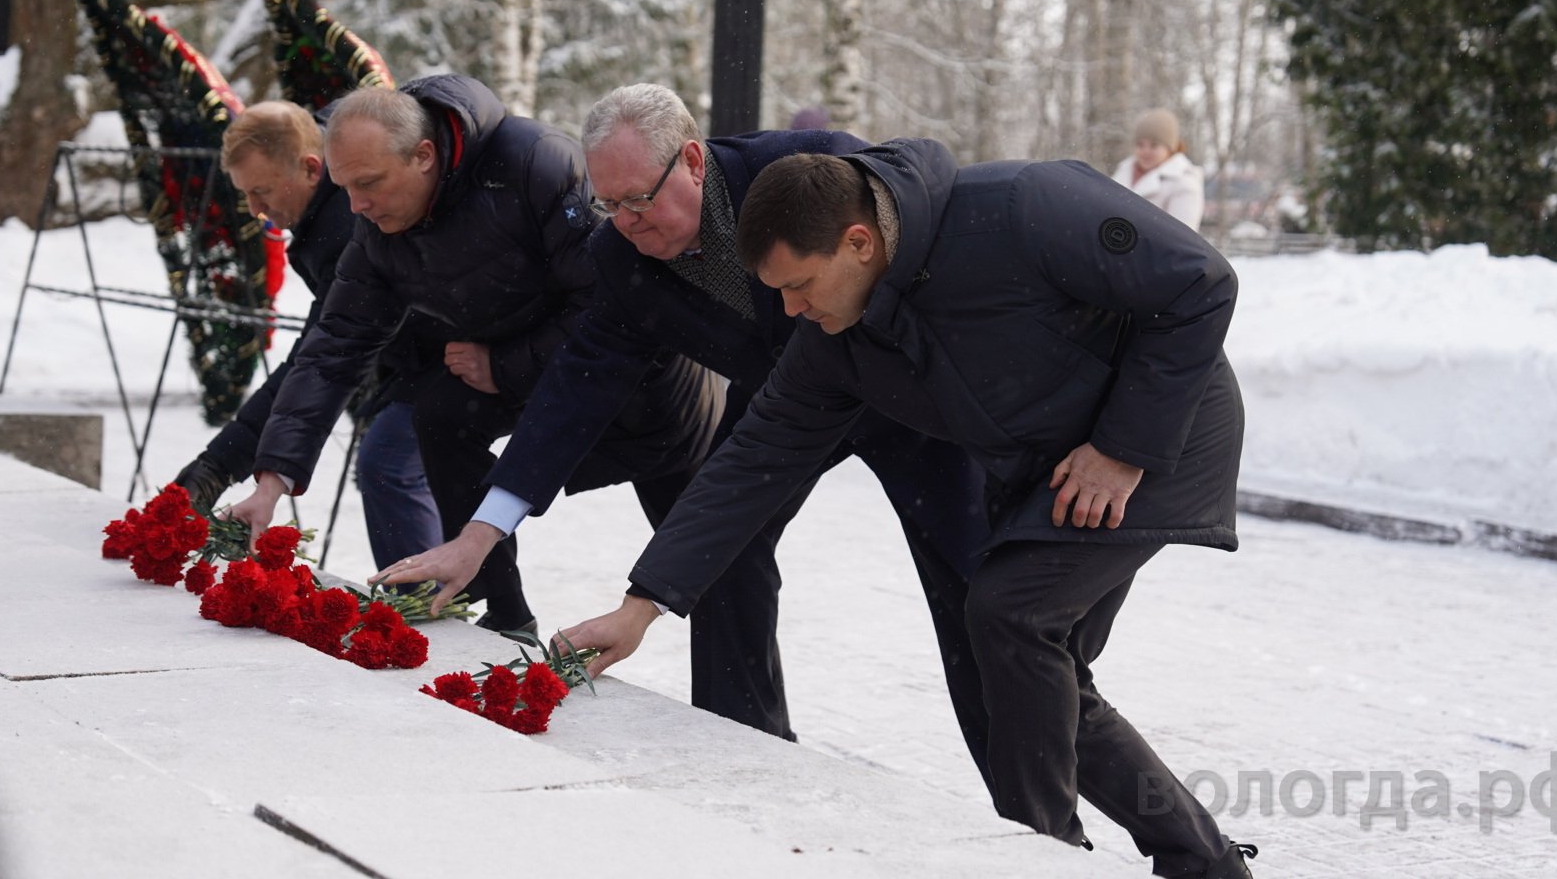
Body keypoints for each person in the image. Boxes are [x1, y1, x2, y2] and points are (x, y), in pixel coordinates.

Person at [555, 143, 1258, 878]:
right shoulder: (835, 338)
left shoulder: (1025, 206)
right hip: (1047, 465)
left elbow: (1199, 282)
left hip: (1162, 435)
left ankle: (1039, 854)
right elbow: (749, 462)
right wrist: (642, 606)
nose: (791, 311)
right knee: (1038, 678)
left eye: (799, 286)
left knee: (1010, 618)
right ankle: (1193, 863)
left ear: (859, 243)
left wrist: (1123, 448)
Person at [374, 84, 990, 748]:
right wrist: (481, 533)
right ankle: (742, 743)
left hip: (914, 405)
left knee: (977, 603)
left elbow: (934, 228)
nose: (629, 221)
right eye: (610, 206)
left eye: (640, 198)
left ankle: (1036, 811)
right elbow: (577, 386)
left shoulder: (804, 174)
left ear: (693, 161)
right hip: (788, 407)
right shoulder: (620, 258)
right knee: (716, 548)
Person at [230, 78, 722, 634]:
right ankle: (504, 612)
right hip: (515, 371)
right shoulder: (375, 226)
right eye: (345, 189)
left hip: (647, 389)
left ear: (423, 156)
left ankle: (745, 719)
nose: (356, 206)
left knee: (711, 569)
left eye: (368, 184)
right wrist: (271, 481)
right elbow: (334, 344)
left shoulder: (535, 163)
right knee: (440, 415)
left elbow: (610, 312)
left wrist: (502, 364)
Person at [168, 101, 439, 568]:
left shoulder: (344, 227)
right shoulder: (325, 219)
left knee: (389, 465)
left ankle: (425, 606)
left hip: (448, 350)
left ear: (312, 168)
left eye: (263, 192)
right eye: (246, 197)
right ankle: (462, 603)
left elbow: (315, 362)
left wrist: (218, 466)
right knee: (406, 466)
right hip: (416, 357)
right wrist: (219, 464)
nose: (256, 212)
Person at [1112, 108, 1204, 230]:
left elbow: (1182, 238)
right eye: (1140, 144)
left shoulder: (1184, 184)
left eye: (1154, 145)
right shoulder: (1123, 171)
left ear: (1170, 148)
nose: (1146, 151)